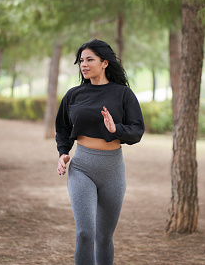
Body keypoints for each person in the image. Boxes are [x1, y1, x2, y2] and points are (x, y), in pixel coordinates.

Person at [55, 39, 145, 265]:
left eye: (89, 60)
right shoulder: (73, 95)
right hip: (82, 168)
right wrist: (63, 153)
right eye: (81, 61)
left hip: (112, 170)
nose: (83, 65)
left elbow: (137, 131)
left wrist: (117, 130)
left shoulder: (123, 94)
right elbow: (63, 129)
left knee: (104, 237)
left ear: (105, 63)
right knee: (85, 233)